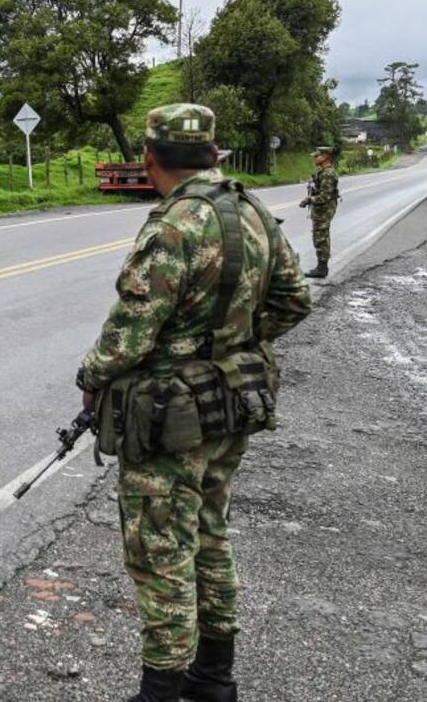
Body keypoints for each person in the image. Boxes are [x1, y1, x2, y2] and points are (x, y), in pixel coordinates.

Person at [74, 104, 312, 702]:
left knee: (159, 548)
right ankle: (213, 679)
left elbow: (129, 332)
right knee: (210, 532)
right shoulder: (252, 211)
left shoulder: (176, 226)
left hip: (170, 418)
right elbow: (293, 299)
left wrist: (92, 376)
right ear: (213, 154)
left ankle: (161, 689)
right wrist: (231, 345)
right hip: (233, 402)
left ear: (149, 158)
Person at [300, 146, 339, 278]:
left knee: (321, 238)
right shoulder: (323, 172)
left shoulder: (328, 174)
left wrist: (309, 199)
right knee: (320, 237)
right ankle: (321, 267)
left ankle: (322, 269)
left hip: (324, 210)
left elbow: (325, 197)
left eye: (318, 156)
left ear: (326, 156)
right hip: (321, 210)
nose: (315, 158)